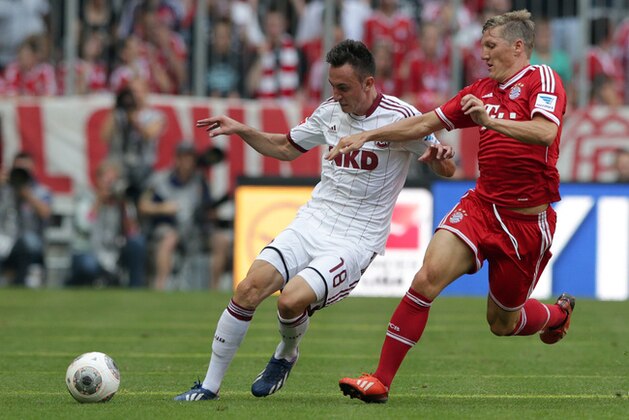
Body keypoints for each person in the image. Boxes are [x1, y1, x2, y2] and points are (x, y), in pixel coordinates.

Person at [173, 39, 456, 401]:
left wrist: (439, 156)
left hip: (356, 240)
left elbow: (447, 167)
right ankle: (209, 387)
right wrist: (242, 129)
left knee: (289, 302)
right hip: (313, 221)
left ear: (369, 84)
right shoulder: (329, 112)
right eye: (332, 86)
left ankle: (286, 353)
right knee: (247, 289)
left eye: (344, 87)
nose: (336, 95)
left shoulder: (402, 118)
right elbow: (285, 147)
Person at [327, 10, 575, 404]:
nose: (485, 55)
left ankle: (557, 317)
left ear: (517, 46)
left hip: (526, 223)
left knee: (502, 322)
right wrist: (368, 136)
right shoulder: (480, 91)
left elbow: (546, 131)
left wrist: (490, 122)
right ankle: (379, 381)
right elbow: (424, 123)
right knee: (426, 278)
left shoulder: (542, 79)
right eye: (483, 47)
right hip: (481, 208)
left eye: (491, 47)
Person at [138, 142, 229, 290]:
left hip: (195, 229)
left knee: (221, 240)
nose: (187, 162)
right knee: (169, 238)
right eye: (184, 158)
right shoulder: (161, 179)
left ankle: (215, 289)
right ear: (177, 159)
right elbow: (143, 205)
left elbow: (208, 207)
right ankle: (160, 286)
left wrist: (211, 214)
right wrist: (162, 208)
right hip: (169, 227)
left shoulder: (199, 180)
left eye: (190, 158)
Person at [66, 160, 146, 288]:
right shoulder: (86, 199)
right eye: (107, 181)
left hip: (114, 253)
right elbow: (84, 226)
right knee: (88, 265)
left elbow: (133, 233)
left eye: (113, 181)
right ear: (98, 180)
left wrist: (124, 205)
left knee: (138, 243)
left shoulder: (122, 203)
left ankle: (135, 288)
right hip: (88, 251)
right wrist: (99, 201)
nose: (110, 186)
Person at [0, 152, 52, 287]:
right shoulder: (5, 190)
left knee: (28, 241)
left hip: (31, 238)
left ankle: (21, 282)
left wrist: (26, 193)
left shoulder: (41, 191)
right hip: (5, 237)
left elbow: (45, 213)